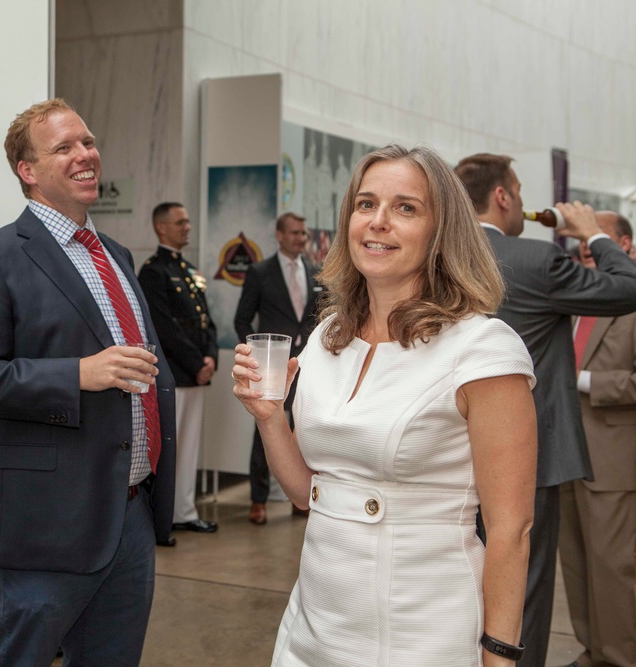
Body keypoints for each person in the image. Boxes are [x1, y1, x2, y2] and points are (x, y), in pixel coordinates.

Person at [233, 144, 538, 666]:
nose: (377, 223)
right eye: (365, 204)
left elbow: (512, 528)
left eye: (405, 208)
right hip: (314, 622)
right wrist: (270, 418)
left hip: (422, 624)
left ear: (442, 231)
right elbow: (312, 495)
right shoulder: (329, 335)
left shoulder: (482, 349)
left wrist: (499, 655)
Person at [0, 98, 176, 666]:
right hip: (43, 520)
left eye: (88, 142)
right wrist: (79, 374)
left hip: (130, 512)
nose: (85, 155)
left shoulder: (115, 254)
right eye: (64, 147)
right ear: (28, 170)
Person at [454, 154, 636, 667]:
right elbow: (628, 287)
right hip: (525, 454)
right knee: (522, 592)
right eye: (518, 189)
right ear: (504, 197)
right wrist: (593, 236)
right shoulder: (533, 260)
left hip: (447, 443)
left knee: (460, 581)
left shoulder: (433, 255)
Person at [559, 211, 636, 667]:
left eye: (597, 241)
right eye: (584, 245)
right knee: (576, 561)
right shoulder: (574, 294)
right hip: (567, 450)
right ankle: (593, 650)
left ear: (624, 245)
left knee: (613, 568)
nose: (588, 249)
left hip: (612, 456)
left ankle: (622, 656)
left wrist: (585, 381)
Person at [234, 212, 321, 525]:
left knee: (304, 425)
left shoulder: (315, 271)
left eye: (303, 233)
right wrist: (257, 354)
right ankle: (258, 500)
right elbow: (242, 318)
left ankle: (302, 498)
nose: (301, 238)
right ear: (280, 235)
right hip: (271, 364)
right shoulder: (260, 272)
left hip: (307, 362)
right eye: (295, 232)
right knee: (266, 425)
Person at [138, 202, 218, 540]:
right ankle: (164, 517)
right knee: (170, 447)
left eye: (188, 221)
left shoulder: (187, 269)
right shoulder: (154, 272)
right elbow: (164, 328)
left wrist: (211, 357)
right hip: (175, 374)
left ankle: (184, 511)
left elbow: (205, 320)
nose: (187, 227)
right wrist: (196, 363)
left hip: (196, 373)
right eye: (180, 222)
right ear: (161, 227)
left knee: (189, 447)